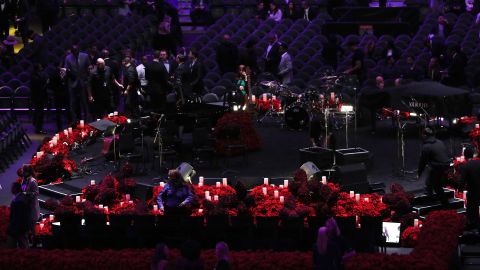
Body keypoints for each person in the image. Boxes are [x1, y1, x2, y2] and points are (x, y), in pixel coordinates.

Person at [418, 127, 450, 206]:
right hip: (446, 164)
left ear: (425, 135)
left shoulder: (426, 147)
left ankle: (445, 204)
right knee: (429, 180)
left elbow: (423, 161)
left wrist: (419, 173)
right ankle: (430, 196)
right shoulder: (439, 142)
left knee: (437, 186)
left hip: (438, 166)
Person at [64, 45, 91, 122]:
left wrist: (89, 69)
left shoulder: (85, 56)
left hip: (83, 82)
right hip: (73, 83)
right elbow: (66, 69)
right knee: (73, 104)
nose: (75, 53)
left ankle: (87, 121)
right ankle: (74, 121)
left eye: (77, 51)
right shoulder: (68, 58)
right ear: (72, 52)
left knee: (85, 103)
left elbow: (89, 66)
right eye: (74, 52)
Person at [461, 146, 480, 230]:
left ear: (465, 156)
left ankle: (472, 225)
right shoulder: (479, 162)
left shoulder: (466, 166)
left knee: (472, 209)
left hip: (473, 191)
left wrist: (460, 189)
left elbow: (462, 181)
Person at [6, 182, 30, 248]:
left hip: (20, 228)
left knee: (23, 245)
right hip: (19, 227)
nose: (11, 189)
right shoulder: (19, 197)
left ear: (15, 189)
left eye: (12, 188)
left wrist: (14, 228)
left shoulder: (20, 200)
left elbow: (19, 216)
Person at [20, 164, 40, 239]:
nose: (23, 173)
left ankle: (35, 239)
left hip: (32, 205)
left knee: (32, 225)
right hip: (25, 205)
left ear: (28, 172)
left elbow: (36, 193)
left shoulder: (32, 181)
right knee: (27, 224)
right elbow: (23, 189)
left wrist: (27, 193)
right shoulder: (24, 180)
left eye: (24, 171)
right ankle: (31, 239)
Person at [31, 63, 49, 134]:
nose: (42, 68)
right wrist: (46, 83)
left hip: (38, 97)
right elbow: (41, 87)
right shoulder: (36, 76)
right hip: (39, 97)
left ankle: (37, 126)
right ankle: (38, 129)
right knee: (39, 113)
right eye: (40, 66)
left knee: (38, 112)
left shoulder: (36, 75)